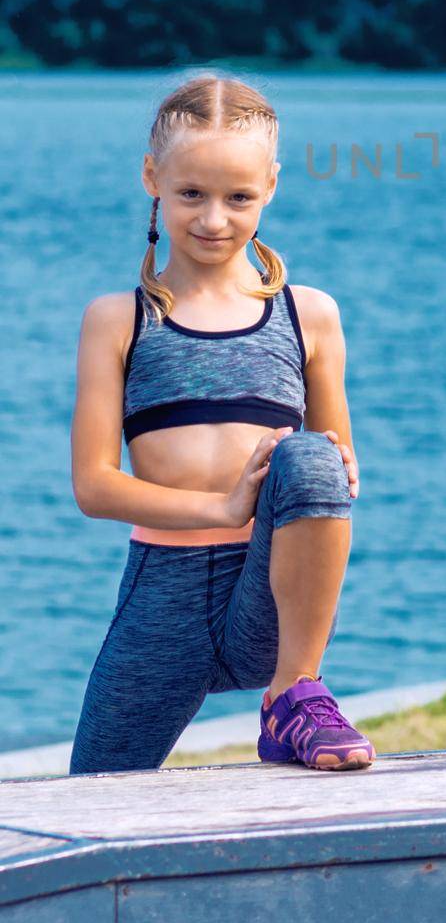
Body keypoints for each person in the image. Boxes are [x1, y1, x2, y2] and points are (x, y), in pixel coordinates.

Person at [69, 73, 375, 774]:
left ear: (270, 185)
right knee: (94, 792)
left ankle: (295, 693)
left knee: (312, 458)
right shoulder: (118, 321)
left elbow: (335, 469)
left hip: (271, 594)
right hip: (163, 595)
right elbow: (93, 485)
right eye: (191, 195)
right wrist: (221, 503)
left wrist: (339, 469)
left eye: (238, 197)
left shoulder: (310, 316)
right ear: (153, 178)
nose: (214, 219)